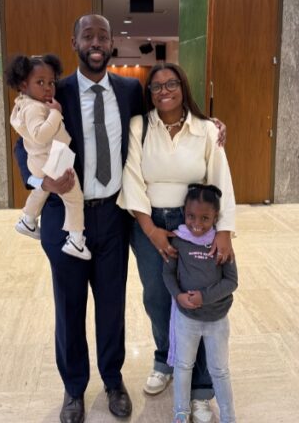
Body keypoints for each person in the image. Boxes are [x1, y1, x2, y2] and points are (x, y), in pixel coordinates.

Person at [14, 14, 143, 423]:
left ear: (112, 43)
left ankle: (113, 380)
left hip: (113, 217)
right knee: (69, 307)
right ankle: (73, 389)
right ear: (75, 43)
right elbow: (23, 147)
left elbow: (158, 125)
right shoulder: (55, 90)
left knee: (112, 305)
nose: (96, 43)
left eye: (103, 36)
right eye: (88, 36)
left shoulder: (129, 91)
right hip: (65, 216)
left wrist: (208, 125)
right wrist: (41, 181)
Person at [117, 63, 236, 423]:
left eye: (171, 84)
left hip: (195, 226)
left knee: (198, 301)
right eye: (156, 86)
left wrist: (224, 231)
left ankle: (201, 389)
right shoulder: (139, 127)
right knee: (157, 296)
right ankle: (165, 360)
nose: (164, 91)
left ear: (183, 87)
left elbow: (221, 179)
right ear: (149, 93)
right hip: (149, 222)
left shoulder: (206, 129)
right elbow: (131, 179)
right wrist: (151, 230)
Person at [164, 184, 238, 423]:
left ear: (215, 217)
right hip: (187, 320)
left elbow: (231, 281)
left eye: (205, 218)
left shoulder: (221, 243)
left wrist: (204, 297)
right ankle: (180, 412)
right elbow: (168, 274)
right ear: (184, 214)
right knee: (183, 366)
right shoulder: (178, 240)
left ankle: (228, 416)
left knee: (220, 370)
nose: (196, 223)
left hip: (217, 320)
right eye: (191, 216)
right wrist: (178, 296)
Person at [7, 54, 90, 260]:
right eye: (40, 82)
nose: (48, 88)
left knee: (41, 190)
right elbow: (39, 135)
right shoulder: (37, 107)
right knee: (74, 197)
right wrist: (56, 113)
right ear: (23, 84)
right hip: (53, 157)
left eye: (51, 83)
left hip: (41, 159)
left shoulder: (23, 105)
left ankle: (27, 219)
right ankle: (76, 240)